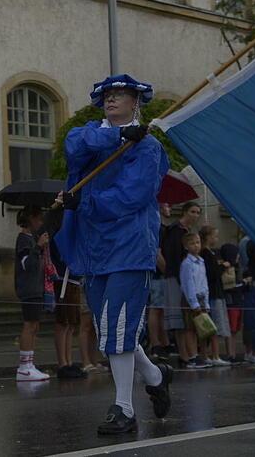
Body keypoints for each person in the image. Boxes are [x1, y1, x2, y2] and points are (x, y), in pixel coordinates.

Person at [55, 74, 172, 435]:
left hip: (129, 245)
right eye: (107, 94)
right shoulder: (94, 134)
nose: (110, 99)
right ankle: (155, 374)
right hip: (92, 247)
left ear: (136, 101)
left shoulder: (149, 148)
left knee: (119, 324)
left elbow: (131, 197)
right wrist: (118, 135)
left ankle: (124, 407)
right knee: (110, 328)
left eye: (119, 94)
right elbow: (74, 145)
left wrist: (84, 201)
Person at [44, 208, 86, 379]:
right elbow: (59, 254)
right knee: (63, 322)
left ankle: (68, 361)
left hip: (73, 278)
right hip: (63, 278)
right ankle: (62, 363)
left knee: (71, 323)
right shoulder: (57, 233)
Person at [160, 201, 202, 365]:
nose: (195, 215)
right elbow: (172, 256)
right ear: (184, 212)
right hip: (176, 277)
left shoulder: (188, 232)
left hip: (186, 278)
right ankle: (185, 355)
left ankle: (191, 354)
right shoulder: (175, 231)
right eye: (193, 211)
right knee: (179, 319)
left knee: (187, 320)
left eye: (198, 212)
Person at [13, 206, 51, 382]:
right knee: (29, 325)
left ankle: (30, 363)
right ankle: (24, 367)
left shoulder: (31, 239)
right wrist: (38, 247)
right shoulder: (23, 240)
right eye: (39, 219)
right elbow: (26, 264)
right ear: (31, 219)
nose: (41, 222)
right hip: (28, 289)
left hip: (36, 288)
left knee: (35, 325)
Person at [178, 232, 211, 369]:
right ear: (186, 246)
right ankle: (192, 356)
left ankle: (203, 355)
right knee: (190, 329)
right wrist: (193, 303)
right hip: (191, 299)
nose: (196, 245)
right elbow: (188, 284)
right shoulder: (187, 263)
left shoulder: (201, 261)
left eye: (198, 242)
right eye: (192, 243)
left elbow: (204, 283)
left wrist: (206, 302)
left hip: (202, 297)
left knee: (203, 329)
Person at [200, 226, 231, 366]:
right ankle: (214, 355)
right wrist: (223, 266)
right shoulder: (206, 253)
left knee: (215, 325)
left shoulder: (209, 253)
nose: (216, 239)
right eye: (215, 236)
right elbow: (212, 273)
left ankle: (212, 355)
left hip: (216, 292)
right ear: (208, 237)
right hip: (213, 293)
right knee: (214, 326)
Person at [147, 202, 172, 361]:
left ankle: (164, 341)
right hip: (157, 275)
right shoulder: (157, 228)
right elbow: (157, 253)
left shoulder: (164, 229)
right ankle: (156, 342)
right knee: (156, 308)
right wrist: (167, 270)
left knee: (162, 309)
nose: (170, 208)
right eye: (168, 206)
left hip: (161, 275)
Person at [220, 243, 246, 364]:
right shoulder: (226, 268)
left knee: (235, 329)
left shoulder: (237, 267)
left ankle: (234, 352)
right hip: (231, 302)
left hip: (238, 301)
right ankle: (230, 353)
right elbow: (228, 284)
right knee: (230, 328)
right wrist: (242, 283)